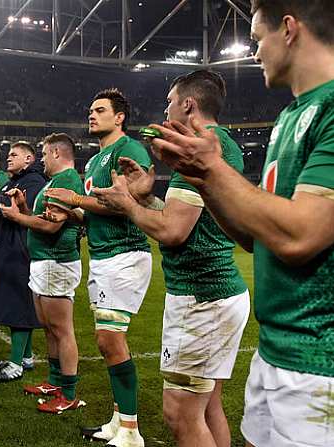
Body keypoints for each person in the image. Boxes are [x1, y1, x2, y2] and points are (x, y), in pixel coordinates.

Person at [147, 2, 334, 445]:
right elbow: (256, 237)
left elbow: (301, 235)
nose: (253, 53)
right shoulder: (290, 115)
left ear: (289, 29)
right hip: (276, 347)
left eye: (256, 39)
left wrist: (211, 170)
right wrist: (201, 177)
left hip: (319, 357)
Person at [93, 70, 250, 447]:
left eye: (169, 100)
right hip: (218, 292)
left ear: (188, 104)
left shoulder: (200, 147)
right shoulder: (220, 144)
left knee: (180, 413)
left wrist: (128, 204)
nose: (165, 107)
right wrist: (146, 197)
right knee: (209, 407)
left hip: (201, 298)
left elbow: (173, 231)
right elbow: (187, 220)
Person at [45, 88, 152, 446]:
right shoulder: (93, 162)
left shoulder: (129, 150)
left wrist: (76, 199)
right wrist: (70, 212)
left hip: (125, 254)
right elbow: (93, 211)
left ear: (119, 117)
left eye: (100, 110)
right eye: (90, 110)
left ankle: (132, 431)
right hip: (104, 255)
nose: (91, 115)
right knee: (107, 340)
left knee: (109, 339)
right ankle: (119, 422)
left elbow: (126, 202)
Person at [1, 133, 86, 414]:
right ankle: (54, 381)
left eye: (45, 154)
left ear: (57, 154)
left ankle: (69, 392)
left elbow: (51, 227)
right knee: (49, 327)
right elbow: (43, 219)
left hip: (56, 261)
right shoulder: (56, 181)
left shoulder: (67, 181)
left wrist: (17, 217)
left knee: (62, 330)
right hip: (44, 262)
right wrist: (25, 207)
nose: (42, 159)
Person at [0, 142, 47, 383]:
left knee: (19, 305)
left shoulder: (33, 182)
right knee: (15, 302)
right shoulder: (12, 182)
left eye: (14, 155)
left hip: (20, 249)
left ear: (29, 159)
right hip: (7, 247)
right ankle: (26, 357)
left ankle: (16, 364)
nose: (8, 158)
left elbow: (11, 210)